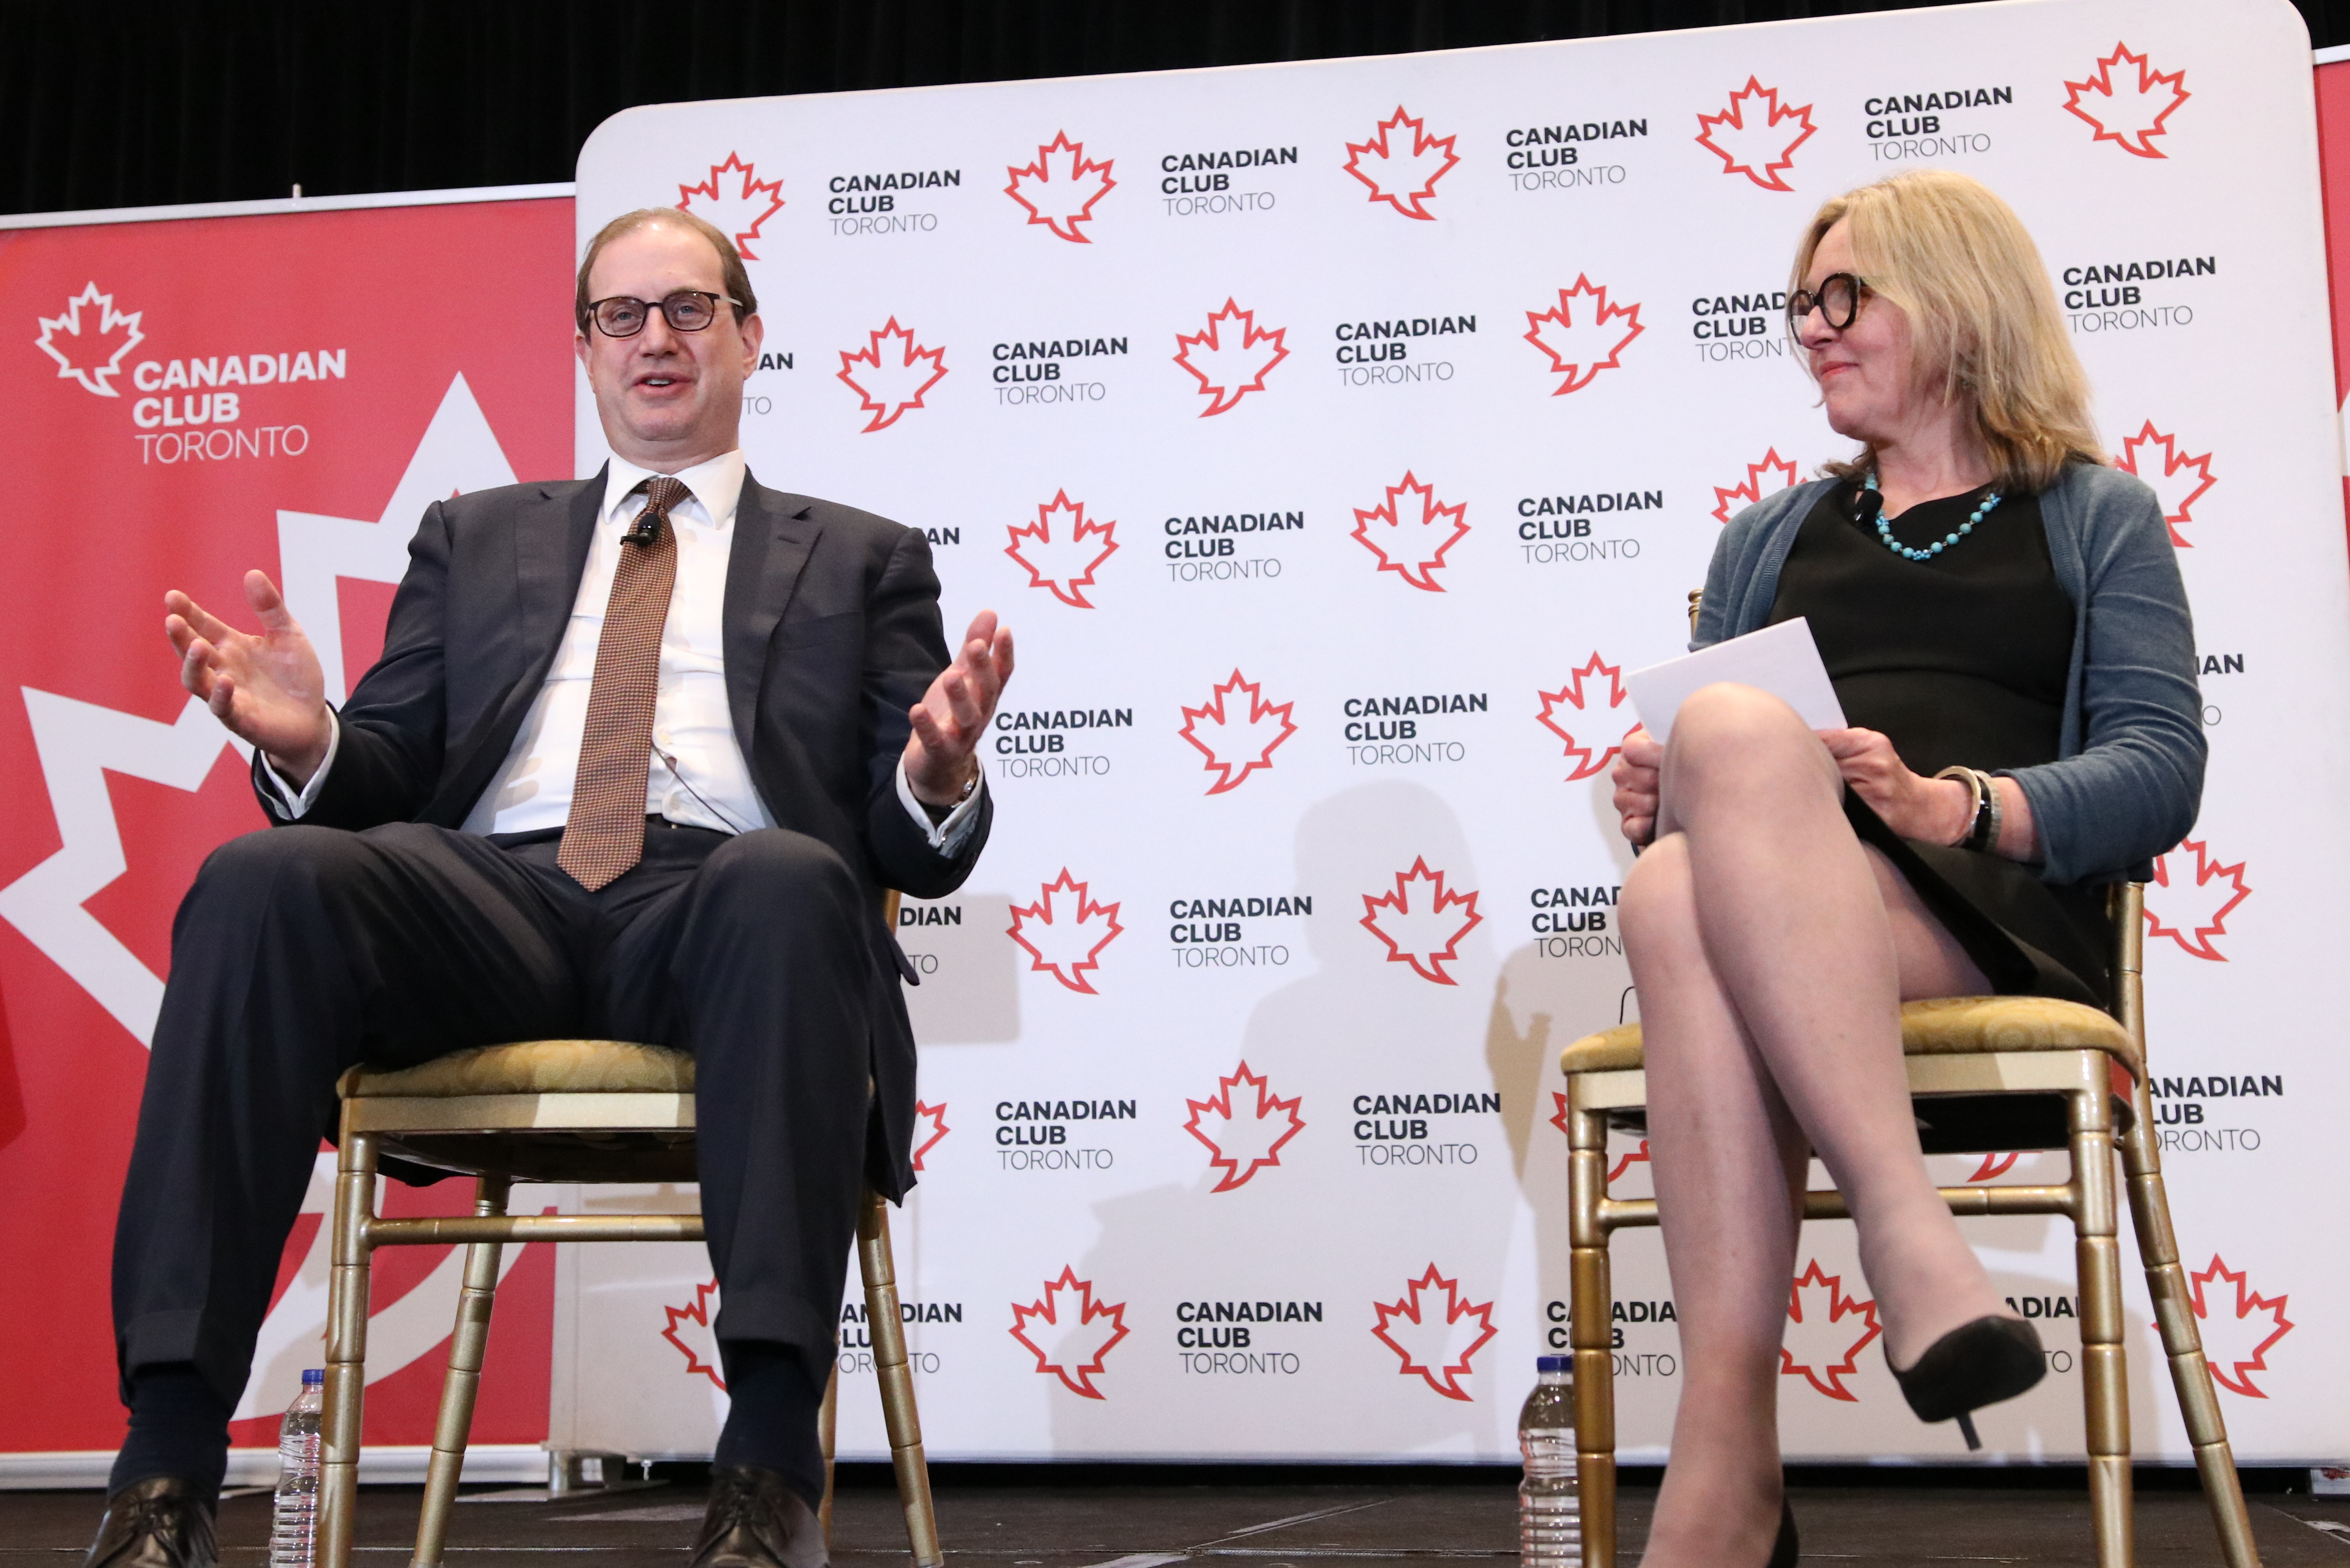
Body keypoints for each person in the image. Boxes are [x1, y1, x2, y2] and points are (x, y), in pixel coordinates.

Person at [85, 206, 1012, 1568]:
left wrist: (936, 774)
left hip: (719, 907)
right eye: (622, 315)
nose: (656, 339)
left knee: (789, 878)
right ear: (584, 350)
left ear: (749, 335)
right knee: (262, 879)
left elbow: (907, 836)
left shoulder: (862, 555)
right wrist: (313, 740)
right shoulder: (478, 536)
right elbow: (392, 763)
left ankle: (763, 1468)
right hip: (490, 897)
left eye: (689, 309)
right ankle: (163, 1470)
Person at [1608, 169, 2202, 1568]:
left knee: (1718, 775)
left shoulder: (2091, 513)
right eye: (1800, 303)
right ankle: (1885, 1261)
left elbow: (2161, 768)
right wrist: (1655, 792)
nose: (1811, 328)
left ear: (1954, 302)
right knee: (1668, 868)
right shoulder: (1767, 535)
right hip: (1782, 907)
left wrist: (1958, 807)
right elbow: (1698, 825)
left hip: (1983, 912)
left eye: (1844, 295)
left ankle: (1732, 1467)